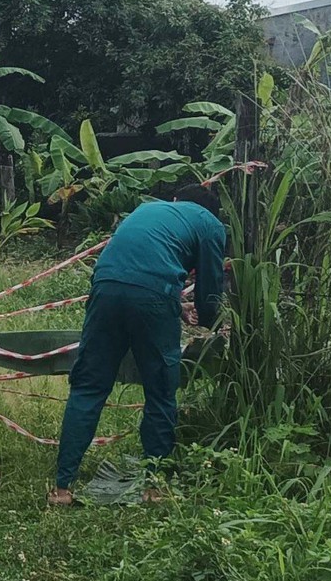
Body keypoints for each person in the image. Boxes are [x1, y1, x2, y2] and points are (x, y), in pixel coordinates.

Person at [50, 183, 228, 506]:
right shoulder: (211, 224)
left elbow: (140, 260)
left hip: (105, 286)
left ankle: (62, 488)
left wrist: (175, 303)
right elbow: (210, 290)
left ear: (177, 200)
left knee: (88, 386)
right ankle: (155, 487)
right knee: (160, 391)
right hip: (153, 296)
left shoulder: (148, 209)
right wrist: (214, 323)